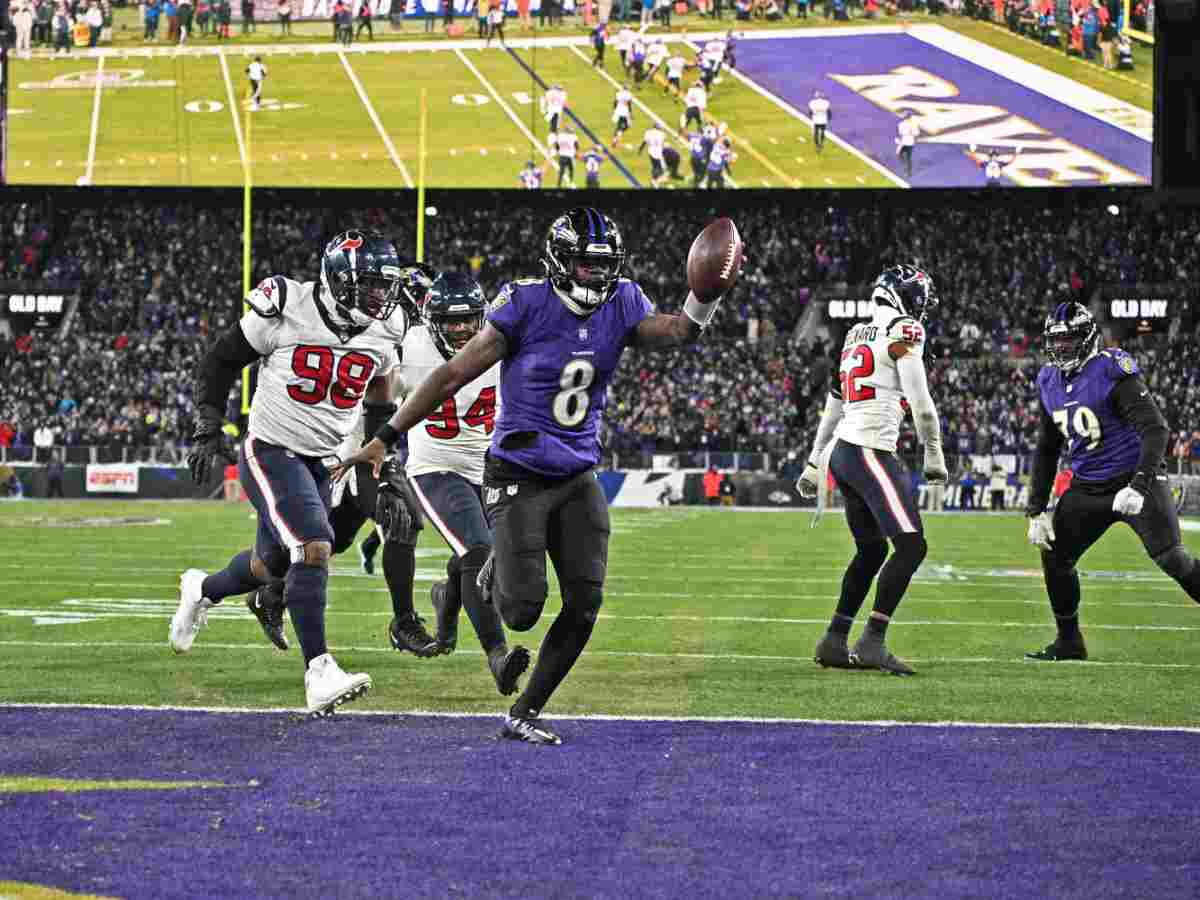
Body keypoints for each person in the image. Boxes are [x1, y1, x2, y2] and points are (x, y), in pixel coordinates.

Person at [334, 206, 738, 745]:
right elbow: (453, 373)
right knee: (521, 612)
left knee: (586, 601)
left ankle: (525, 711)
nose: (597, 275)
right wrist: (384, 438)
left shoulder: (622, 302)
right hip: (518, 470)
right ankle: (475, 574)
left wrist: (704, 296)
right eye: (585, 265)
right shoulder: (525, 303)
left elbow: (679, 330)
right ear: (558, 262)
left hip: (576, 473)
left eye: (604, 265)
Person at [170, 230, 412, 717]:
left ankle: (203, 589)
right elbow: (220, 361)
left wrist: (383, 465)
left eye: (385, 286)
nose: (381, 297)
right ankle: (319, 671)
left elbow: (381, 395)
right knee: (314, 544)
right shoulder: (287, 304)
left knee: (270, 565)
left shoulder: (387, 328)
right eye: (370, 285)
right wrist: (206, 426)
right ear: (339, 280)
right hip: (270, 447)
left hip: (322, 460)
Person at [1024, 303, 1200, 661]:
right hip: (1088, 485)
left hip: (1134, 479)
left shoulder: (1109, 369)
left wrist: (1138, 484)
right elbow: (1046, 448)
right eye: (1055, 341)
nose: (1061, 348)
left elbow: (1156, 429)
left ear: (1087, 337)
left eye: (1069, 339)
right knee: (1055, 557)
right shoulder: (1048, 380)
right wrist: (1036, 509)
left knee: (1173, 559)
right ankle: (1069, 641)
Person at [797, 264, 946, 676]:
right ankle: (872, 641)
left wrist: (814, 461)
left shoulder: (854, 335)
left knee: (873, 550)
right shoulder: (903, 330)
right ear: (905, 297)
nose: (921, 310)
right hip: (868, 450)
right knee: (912, 546)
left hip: (843, 453)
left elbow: (833, 406)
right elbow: (922, 405)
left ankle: (833, 640)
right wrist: (935, 456)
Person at [895, 111, 919, 178]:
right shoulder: (913, 124)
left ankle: (908, 170)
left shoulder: (902, 124)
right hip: (909, 142)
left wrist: (898, 139)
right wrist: (914, 140)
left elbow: (899, 133)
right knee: (906, 157)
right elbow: (916, 134)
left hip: (905, 142)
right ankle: (908, 169)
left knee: (901, 155)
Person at [611, 82, 633, 147]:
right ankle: (616, 139)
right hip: (624, 112)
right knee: (626, 125)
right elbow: (629, 104)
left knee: (620, 125)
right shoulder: (628, 94)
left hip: (618, 110)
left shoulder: (618, 93)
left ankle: (616, 138)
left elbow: (615, 102)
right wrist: (630, 112)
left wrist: (615, 109)